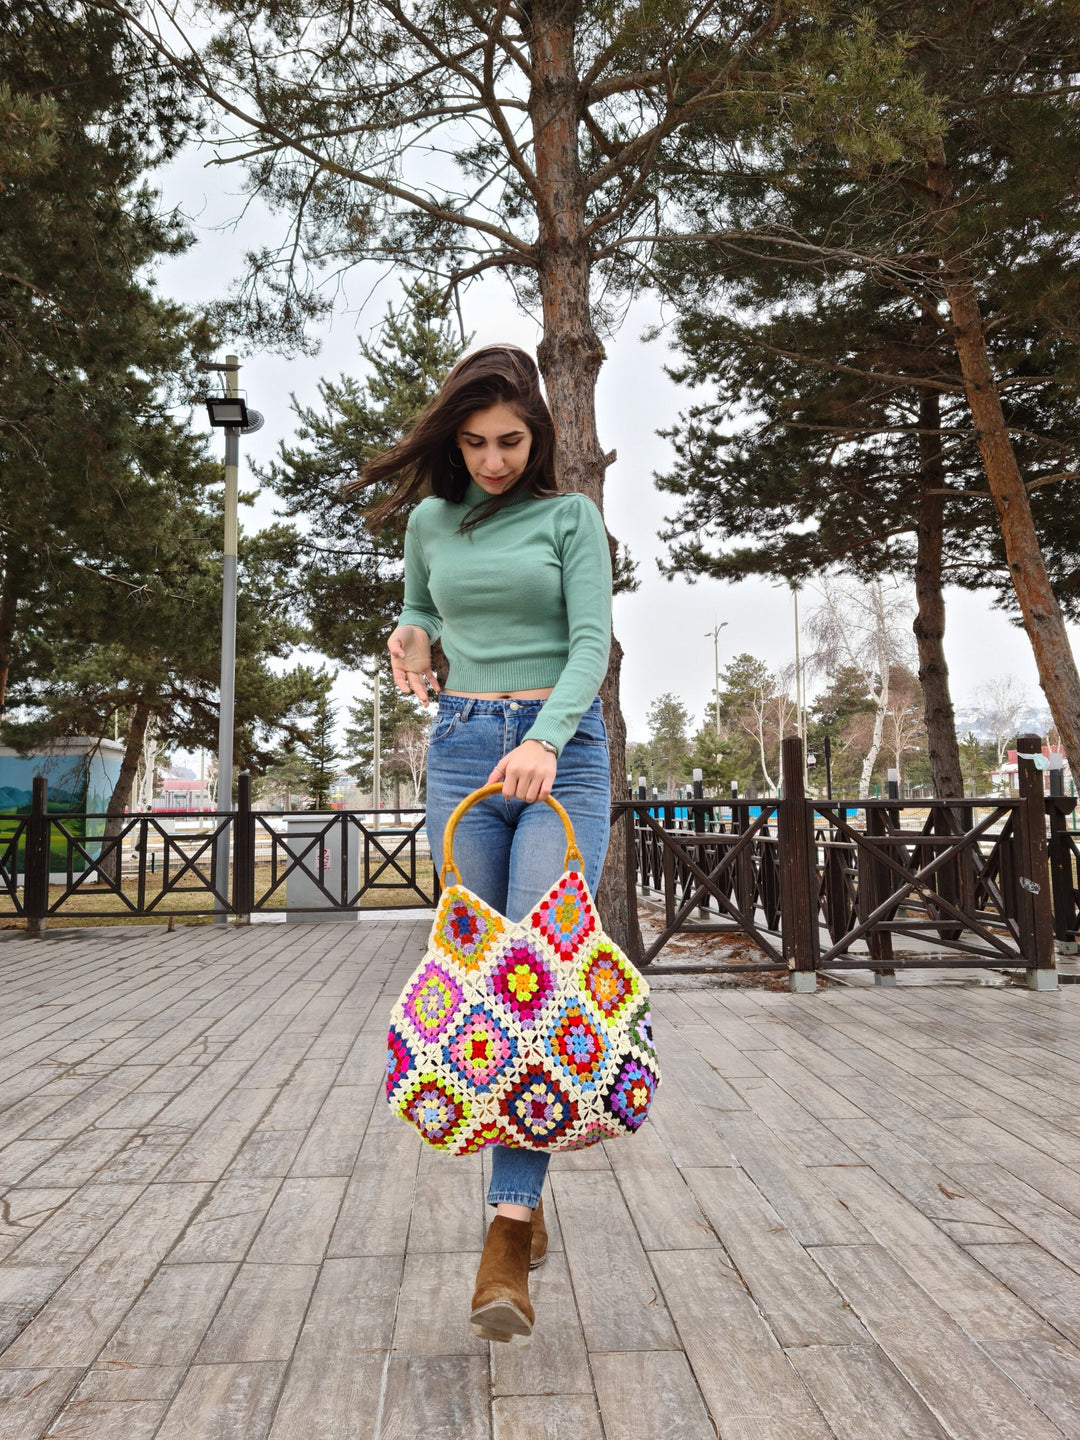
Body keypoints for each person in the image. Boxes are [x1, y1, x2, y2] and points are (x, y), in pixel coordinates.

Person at [358, 344, 612, 1343]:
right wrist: (410, 636)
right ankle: (526, 1185)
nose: (494, 460)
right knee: (478, 985)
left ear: (537, 436)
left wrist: (546, 740)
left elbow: (590, 641)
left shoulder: (570, 518)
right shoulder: (430, 520)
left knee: (536, 983)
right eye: (474, 444)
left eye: (511, 442)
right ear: (452, 441)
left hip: (563, 757)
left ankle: (506, 1234)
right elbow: (422, 606)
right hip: (462, 752)